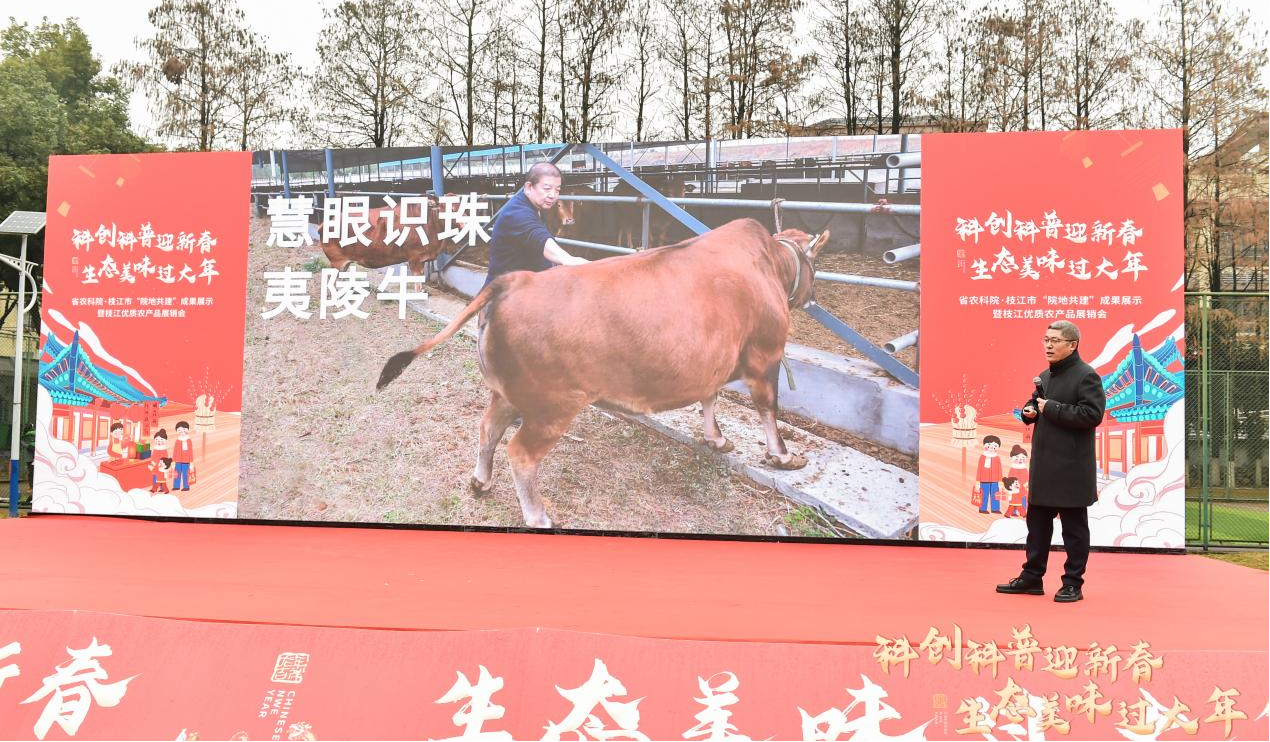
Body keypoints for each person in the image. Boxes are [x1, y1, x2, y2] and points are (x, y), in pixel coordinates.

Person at [997, 320, 1106, 603]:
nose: (1048, 345)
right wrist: (1029, 412)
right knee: (1037, 528)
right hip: (1044, 465)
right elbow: (1035, 405)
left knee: (1074, 531)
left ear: (1072, 345)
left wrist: (1052, 408)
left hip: (1071, 468)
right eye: (1046, 339)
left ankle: (1073, 583)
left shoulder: (1087, 376)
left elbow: (1092, 416)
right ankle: (1032, 578)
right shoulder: (1045, 376)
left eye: (1055, 340)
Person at [482, 162, 588, 289]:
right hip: (504, 292)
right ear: (529, 187)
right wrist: (569, 260)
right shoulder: (517, 213)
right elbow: (540, 239)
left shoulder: (536, 206)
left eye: (557, 190)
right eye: (547, 189)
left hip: (525, 284)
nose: (553, 195)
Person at [172, 421, 195, 491]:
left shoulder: (188, 440)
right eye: (179, 430)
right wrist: (173, 461)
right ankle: (176, 486)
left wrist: (191, 462)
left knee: (186, 474)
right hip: (177, 461)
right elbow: (175, 451)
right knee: (177, 474)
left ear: (187, 430)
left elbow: (190, 452)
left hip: (186, 461)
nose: (182, 431)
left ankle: (186, 486)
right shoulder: (177, 441)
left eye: (183, 429)